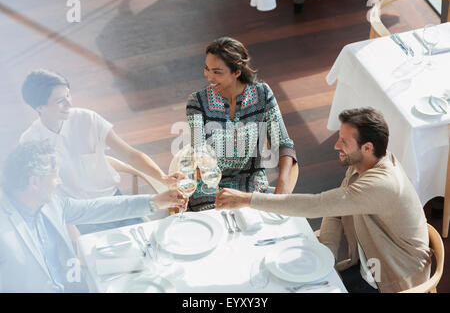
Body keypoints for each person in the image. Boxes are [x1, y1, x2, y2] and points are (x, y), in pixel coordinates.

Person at [215, 107, 431, 293]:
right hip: (369, 267)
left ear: (367, 148)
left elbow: (318, 204)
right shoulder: (363, 165)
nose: (336, 145)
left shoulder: (381, 184)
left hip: (393, 280)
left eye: (344, 141)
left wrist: (247, 199)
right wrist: (327, 255)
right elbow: (335, 209)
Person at [0, 140, 187, 293]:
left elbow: (98, 207)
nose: (59, 182)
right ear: (35, 182)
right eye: (55, 176)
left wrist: (155, 201)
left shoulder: (52, 204)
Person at [19, 69, 182, 233]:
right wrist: (69, 227)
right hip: (81, 214)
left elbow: (130, 154)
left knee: (148, 240)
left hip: (115, 201)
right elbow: (43, 193)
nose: (69, 103)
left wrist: (163, 178)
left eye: (68, 95)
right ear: (40, 107)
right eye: (60, 100)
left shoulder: (88, 119)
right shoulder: (30, 142)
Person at [185, 37, 297, 212]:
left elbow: (283, 143)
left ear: (237, 72)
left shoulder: (262, 94)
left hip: (252, 184)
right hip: (209, 187)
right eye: (207, 69)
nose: (209, 76)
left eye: (217, 72)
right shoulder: (197, 102)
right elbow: (198, 149)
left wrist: (283, 182)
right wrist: (198, 161)